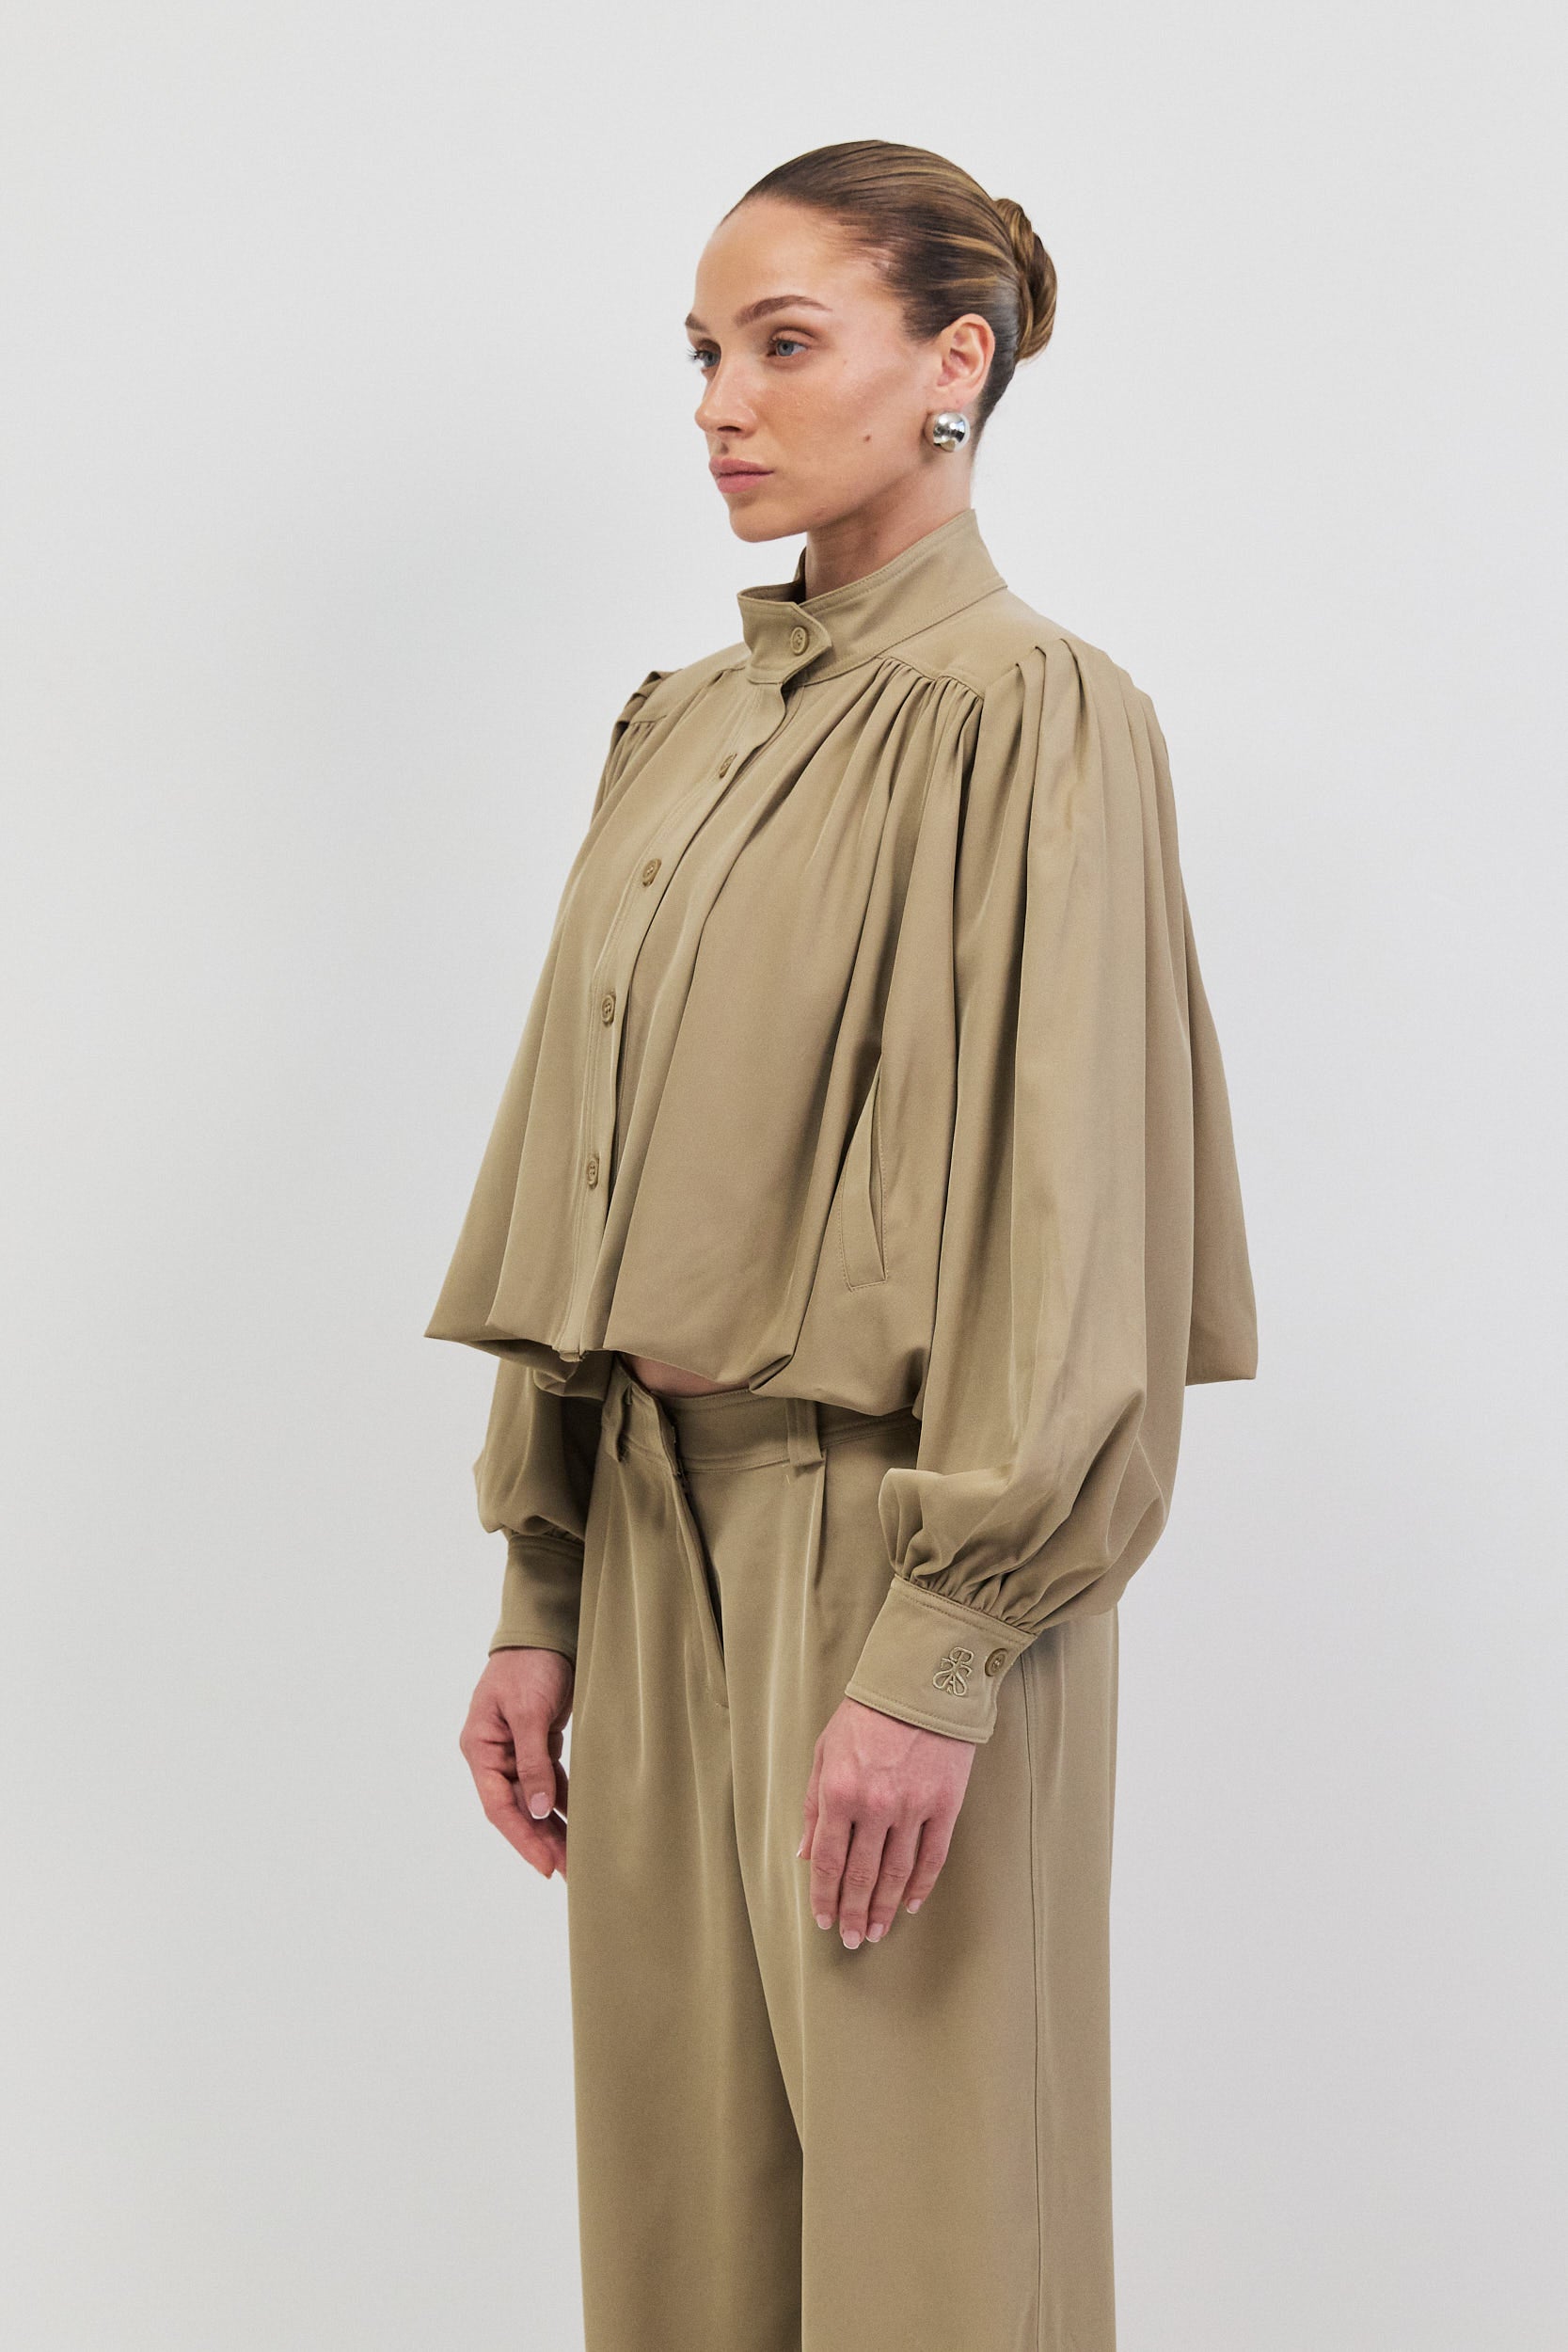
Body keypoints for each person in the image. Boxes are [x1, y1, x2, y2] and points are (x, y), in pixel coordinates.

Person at [427, 137, 1257, 2352]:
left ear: (954, 363)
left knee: (933, 2257)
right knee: (683, 2249)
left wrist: (941, 1649)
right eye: (705, 351)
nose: (723, 400)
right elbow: (582, 1164)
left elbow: (1073, 1207)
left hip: (888, 1545)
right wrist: (542, 1583)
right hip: (649, 1536)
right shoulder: (681, 727)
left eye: (786, 344)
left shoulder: (1036, 713)